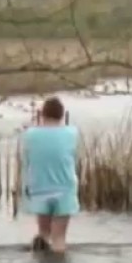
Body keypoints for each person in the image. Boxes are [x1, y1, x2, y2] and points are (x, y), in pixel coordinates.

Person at [21, 97, 80, 253]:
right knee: (59, 238)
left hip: (39, 189)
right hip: (64, 189)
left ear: (42, 114)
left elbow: (26, 161)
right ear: (62, 115)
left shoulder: (30, 135)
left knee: (43, 235)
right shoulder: (71, 133)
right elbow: (75, 158)